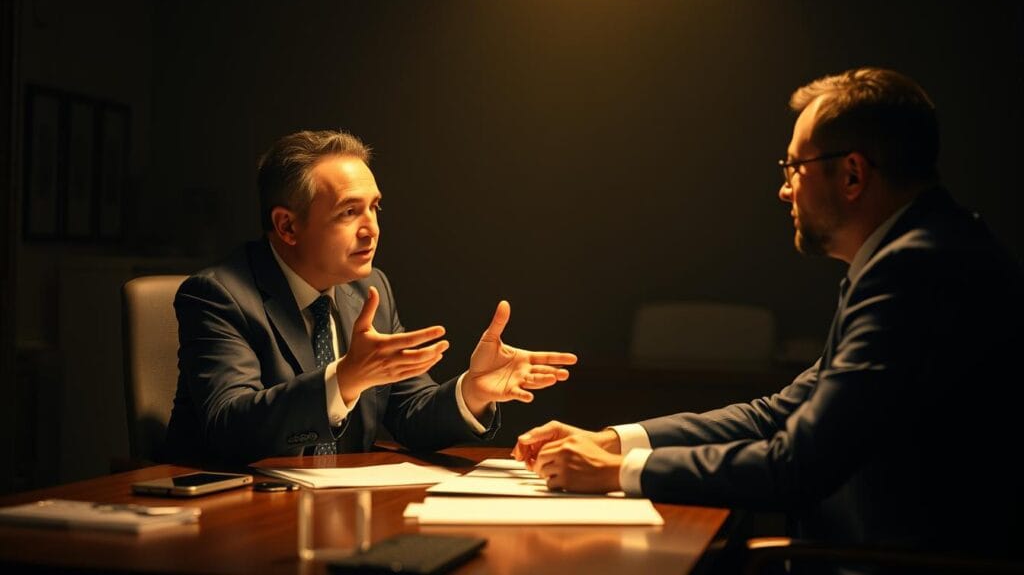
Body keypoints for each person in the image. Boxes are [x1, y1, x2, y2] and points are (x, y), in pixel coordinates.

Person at [513, 68, 1023, 561]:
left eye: (794, 168)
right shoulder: (924, 253)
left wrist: (619, 469)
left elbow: (795, 467)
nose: (785, 190)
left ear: (852, 174)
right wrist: (613, 441)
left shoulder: (914, 271)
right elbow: (780, 412)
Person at [163, 129, 577, 465]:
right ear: (287, 226)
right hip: (233, 517)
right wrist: (344, 380)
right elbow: (228, 427)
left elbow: (410, 414)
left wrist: (473, 391)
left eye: (375, 208)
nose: (371, 229)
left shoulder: (367, 288)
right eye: (349, 212)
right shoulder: (219, 295)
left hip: (337, 513)